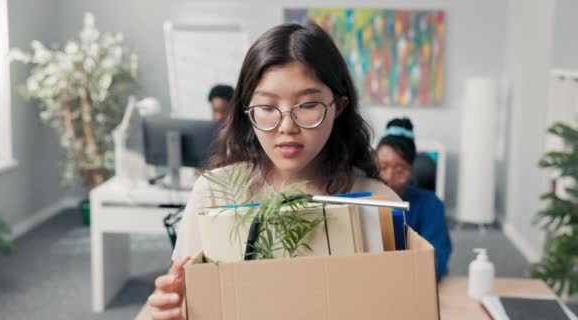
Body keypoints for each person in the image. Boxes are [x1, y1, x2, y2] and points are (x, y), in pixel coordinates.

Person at [141, 23, 399, 320]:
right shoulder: (215, 193)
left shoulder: (379, 204)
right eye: (266, 106)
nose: (287, 126)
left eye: (308, 105)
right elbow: (191, 302)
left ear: (338, 107)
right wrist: (172, 311)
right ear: (246, 110)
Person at [374, 118, 452, 281]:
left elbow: (437, 259)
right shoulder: (361, 200)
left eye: (400, 170)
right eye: (383, 167)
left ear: (411, 170)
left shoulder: (431, 205)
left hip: (413, 284)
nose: (389, 176)